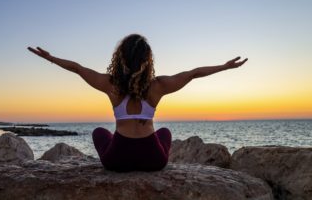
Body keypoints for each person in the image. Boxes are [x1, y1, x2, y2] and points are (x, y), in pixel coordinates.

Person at [28, 34, 247, 172]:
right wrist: (224, 66)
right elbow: (194, 73)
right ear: (147, 61)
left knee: (98, 132)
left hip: (117, 160)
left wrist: (50, 57)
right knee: (165, 133)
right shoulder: (158, 86)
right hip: (153, 160)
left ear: (120, 59)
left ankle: (120, 143)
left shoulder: (110, 85)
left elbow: (77, 68)